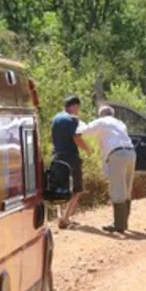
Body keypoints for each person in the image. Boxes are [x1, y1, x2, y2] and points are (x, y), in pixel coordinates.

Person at [78, 105, 136, 233]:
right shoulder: (120, 123)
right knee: (127, 187)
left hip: (116, 154)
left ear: (101, 114)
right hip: (131, 152)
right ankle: (124, 221)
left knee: (117, 188)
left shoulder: (102, 121)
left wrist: (77, 121)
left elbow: (84, 131)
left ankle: (119, 224)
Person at [51, 95, 91, 228]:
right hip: (71, 156)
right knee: (77, 188)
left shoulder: (56, 118)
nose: (78, 110)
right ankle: (66, 218)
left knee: (59, 188)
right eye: (77, 107)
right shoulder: (72, 119)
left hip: (57, 155)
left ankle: (59, 216)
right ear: (74, 106)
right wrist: (87, 149)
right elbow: (76, 138)